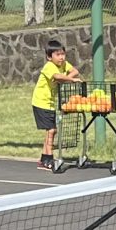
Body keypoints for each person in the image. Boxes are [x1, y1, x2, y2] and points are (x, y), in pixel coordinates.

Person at [32, 40, 81, 170]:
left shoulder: (63, 64)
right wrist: (70, 80)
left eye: (63, 54)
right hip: (41, 102)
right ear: (49, 57)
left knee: (51, 131)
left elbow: (74, 70)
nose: (61, 57)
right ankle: (49, 159)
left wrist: (68, 77)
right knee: (51, 130)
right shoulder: (49, 66)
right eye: (57, 55)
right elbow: (58, 76)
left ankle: (44, 158)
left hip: (50, 103)